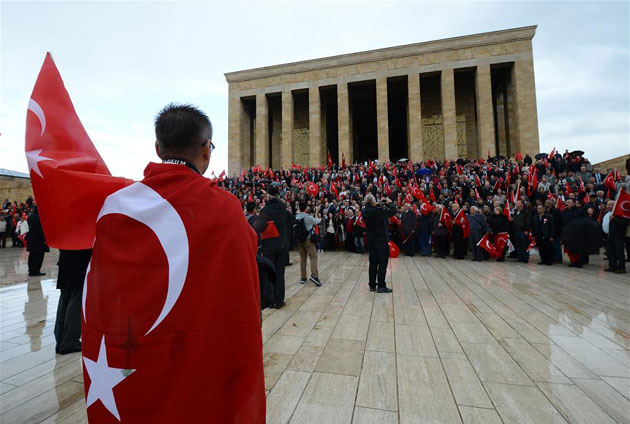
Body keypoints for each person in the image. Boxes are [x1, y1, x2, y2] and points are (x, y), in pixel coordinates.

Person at [83, 104, 264, 422]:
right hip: (194, 355)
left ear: (158, 148)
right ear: (206, 150)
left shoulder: (115, 206)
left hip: (129, 359)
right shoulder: (224, 208)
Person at [55, 249, 91, 354]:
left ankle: (60, 340)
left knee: (64, 300)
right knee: (76, 301)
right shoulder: (83, 232)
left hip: (65, 260)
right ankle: (69, 341)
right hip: (80, 262)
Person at [258, 186, 289, 308]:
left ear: (269, 197)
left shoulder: (266, 210)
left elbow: (259, 227)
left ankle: (270, 301)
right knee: (280, 273)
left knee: (269, 273)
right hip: (281, 244)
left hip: (269, 245)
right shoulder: (283, 208)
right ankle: (279, 301)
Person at [361, 194, 396, 293]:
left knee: (373, 263)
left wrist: (378, 205)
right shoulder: (378, 211)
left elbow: (373, 210)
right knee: (382, 263)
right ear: (372, 202)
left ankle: (372, 285)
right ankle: (381, 285)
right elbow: (393, 211)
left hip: (371, 240)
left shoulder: (364, 211)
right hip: (381, 240)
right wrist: (389, 202)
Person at [295, 201, 322, 286]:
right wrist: (317, 213)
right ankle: (314, 276)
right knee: (313, 257)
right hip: (308, 240)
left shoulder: (296, 217)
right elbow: (317, 221)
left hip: (299, 241)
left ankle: (303, 277)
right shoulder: (308, 217)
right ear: (306, 208)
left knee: (303, 259)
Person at [26, 207, 48, 276]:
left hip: (31, 239)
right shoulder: (40, 218)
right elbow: (41, 230)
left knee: (32, 255)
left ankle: (31, 270)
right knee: (39, 256)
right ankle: (36, 271)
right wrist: (44, 239)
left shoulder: (30, 217)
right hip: (39, 240)